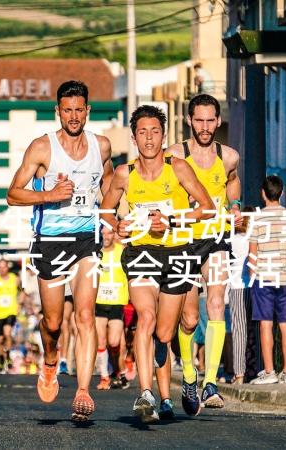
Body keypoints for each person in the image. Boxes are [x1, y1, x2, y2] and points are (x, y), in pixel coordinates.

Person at [6, 80, 114, 422]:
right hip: (50, 241)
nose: (73, 116)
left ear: (88, 111)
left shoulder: (102, 146)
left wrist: (112, 217)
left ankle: (82, 390)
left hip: (86, 238)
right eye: (67, 110)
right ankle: (50, 361)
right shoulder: (42, 148)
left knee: (85, 315)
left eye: (79, 109)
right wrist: (49, 196)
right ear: (58, 111)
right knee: (53, 322)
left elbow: (108, 184)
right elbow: (13, 194)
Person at [100, 105, 214, 423]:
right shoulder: (125, 174)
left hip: (177, 253)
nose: (148, 138)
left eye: (154, 131)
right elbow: (107, 210)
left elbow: (206, 208)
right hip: (140, 253)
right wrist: (118, 225)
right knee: (146, 318)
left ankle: (172, 387)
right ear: (134, 137)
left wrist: (172, 220)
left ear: (163, 135)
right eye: (142, 132)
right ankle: (146, 393)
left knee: (164, 333)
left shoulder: (177, 168)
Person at [165, 94, 242, 413]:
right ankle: (189, 375)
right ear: (189, 121)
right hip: (184, 239)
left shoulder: (229, 156)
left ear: (218, 121)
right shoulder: (174, 155)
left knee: (216, 303)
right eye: (199, 120)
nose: (205, 126)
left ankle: (211, 383)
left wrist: (235, 207)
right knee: (188, 317)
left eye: (211, 120)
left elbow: (233, 184)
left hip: (216, 237)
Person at [249, 176, 286, 385]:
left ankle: (269, 371)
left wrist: (253, 275)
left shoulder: (258, 219)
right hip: (285, 276)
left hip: (263, 276)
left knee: (265, 324)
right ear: (280, 193)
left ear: (263, 193)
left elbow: (253, 252)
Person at [94, 226, 129, 390]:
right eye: (103, 233)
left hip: (117, 301)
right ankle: (104, 377)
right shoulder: (94, 253)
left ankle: (120, 371)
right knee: (101, 341)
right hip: (99, 301)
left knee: (114, 342)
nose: (106, 236)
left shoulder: (123, 251)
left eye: (109, 233)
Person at [226, 205, 255, 385]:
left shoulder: (233, 239)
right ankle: (256, 368)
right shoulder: (255, 240)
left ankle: (239, 374)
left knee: (239, 331)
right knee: (257, 329)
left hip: (236, 286)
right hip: (255, 286)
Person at [58, 283, 75, 375]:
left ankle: (63, 361)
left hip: (70, 286)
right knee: (55, 324)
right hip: (54, 284)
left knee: (66, 322)